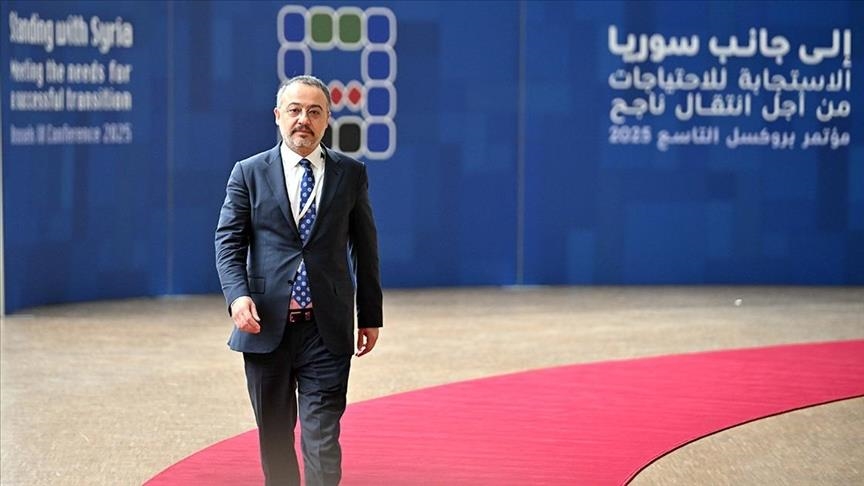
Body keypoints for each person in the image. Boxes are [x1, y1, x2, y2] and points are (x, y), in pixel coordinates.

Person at [215, 74, 383, 486]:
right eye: (294, 110)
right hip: (266, 325)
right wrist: (237, 297)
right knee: (274, 436)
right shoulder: (248, 173)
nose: (303, 119)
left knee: (322, 436)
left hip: (326, 328)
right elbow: (228, 241)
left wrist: (370, 315)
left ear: (327, 119)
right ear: (278, 116)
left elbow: (365, 248)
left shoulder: (350, 173)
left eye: (314, 111)